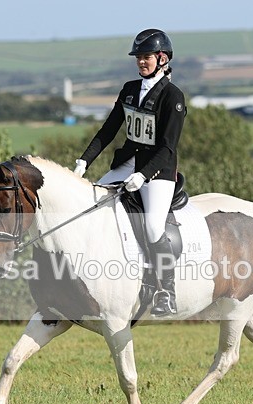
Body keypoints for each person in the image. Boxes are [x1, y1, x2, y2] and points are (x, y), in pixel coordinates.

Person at [73, 28, 187, 317]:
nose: (141, 62)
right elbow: (108, 130)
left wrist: (144, 175)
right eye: (138, 57)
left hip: (158, 170)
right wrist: (84, 161)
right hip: (128, 163)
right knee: (91, 206)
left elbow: (168, 147)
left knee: (153, 227)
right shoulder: (129, 89)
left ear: (162, 58)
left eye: (146, 57)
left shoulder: (172, 96)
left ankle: (166, 291)